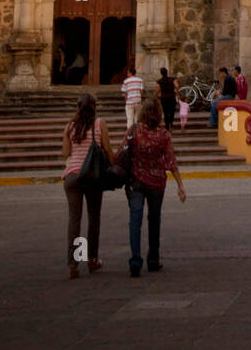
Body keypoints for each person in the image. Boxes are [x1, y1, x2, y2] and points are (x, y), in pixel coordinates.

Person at [122, 96, 186, 276]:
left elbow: (121, 153)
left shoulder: (134, 131)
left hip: (136, 181)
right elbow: (171, 161)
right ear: (158, 114)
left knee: (135, 220)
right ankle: (153, 258)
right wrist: (180, 185)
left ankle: (135, 261)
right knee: (154, 218)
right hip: (157, 183)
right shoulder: (163, 135)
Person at [61, 93, 114, 279]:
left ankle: (74, 264)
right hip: (91, 175)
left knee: (75, 220)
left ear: (78, 107)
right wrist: (114, 167)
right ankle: (91, 259)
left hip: (72, 177)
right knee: (93, 217)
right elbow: (107, 149)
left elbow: (66, 153)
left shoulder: (70, 126)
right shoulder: (100, 124)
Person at [121, 61, 144, 129]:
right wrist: (139, 97)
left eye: (128, 72)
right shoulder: (140, 80)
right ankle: (137, 131)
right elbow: (141, 90)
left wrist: (126, 100)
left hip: (129, 101)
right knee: (137, 118)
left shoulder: (126, 81)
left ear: (130, 73)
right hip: (138, 100)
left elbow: (125, 92)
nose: (127, 73)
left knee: (129, 118)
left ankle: (130, 132)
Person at [156, 66, 178, 131]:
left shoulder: (159, 81)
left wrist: (156, 95)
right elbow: (177, 86)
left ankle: (167, 125)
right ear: (167, 72)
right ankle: (171, 122)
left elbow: (157, 90)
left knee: (165, 111)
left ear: (161, 73)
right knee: (172, 110)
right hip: (172, 97)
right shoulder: (173, 79)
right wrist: (176, 91)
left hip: (164, 98)